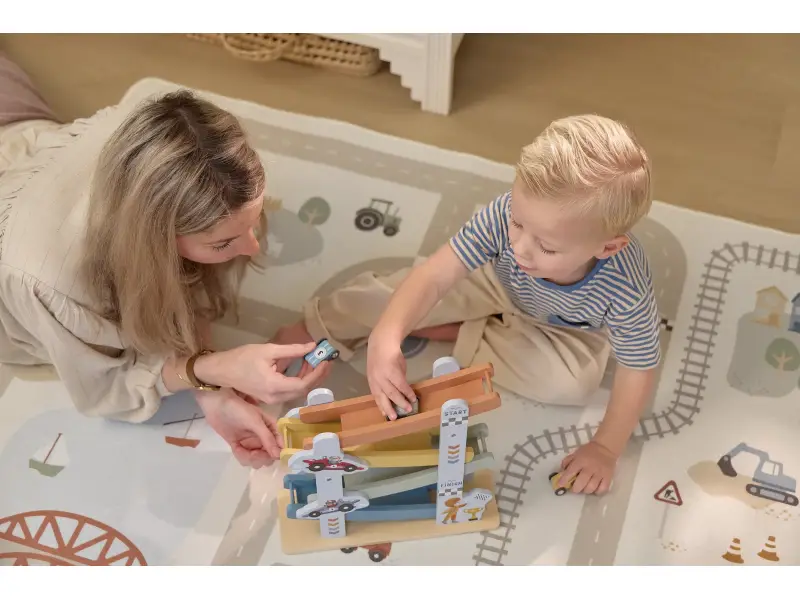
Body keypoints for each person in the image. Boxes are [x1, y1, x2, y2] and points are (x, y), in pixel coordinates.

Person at [275, 114, 660, 495]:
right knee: (387, 300)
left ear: (607, 247)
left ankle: (461, 329)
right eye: (518, 223)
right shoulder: (506, 215)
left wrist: (606, 448)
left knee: (573, 383)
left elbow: (638, 367)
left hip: (564, 328)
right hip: (494, 282)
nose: (520, 247)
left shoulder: (626, 286)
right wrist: (386, 337)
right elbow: (434, 276)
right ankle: (314, 327)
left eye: (547, 247)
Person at [0, 55, 330, 468]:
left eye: (254, 220)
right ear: (154, 240)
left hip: (21, 134)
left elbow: (180, 291)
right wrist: (211, 369)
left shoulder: (162, 136)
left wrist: (214, 392)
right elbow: (108, 390)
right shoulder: (50, 283)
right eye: (225, 242)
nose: (254, 247)